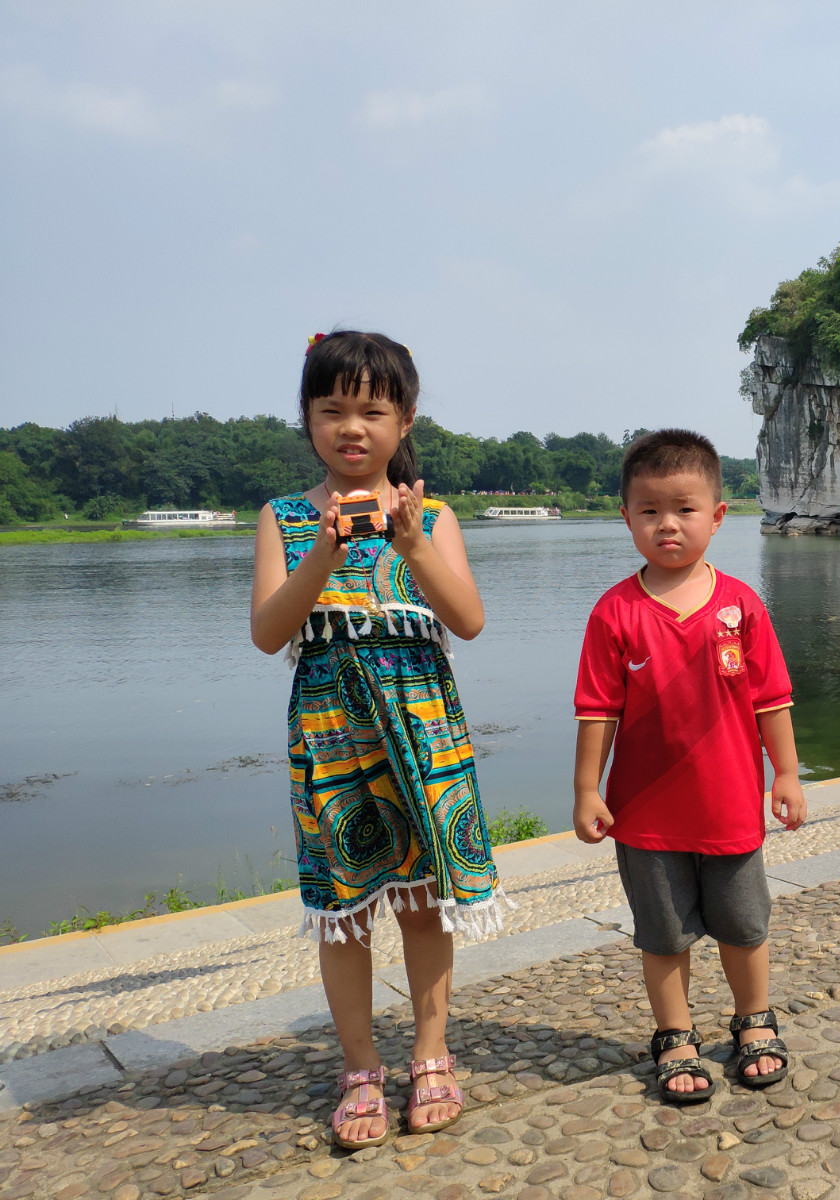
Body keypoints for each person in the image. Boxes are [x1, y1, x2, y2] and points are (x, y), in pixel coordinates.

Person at [250, 330, 507, 1148]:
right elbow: (267, 632)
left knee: (426, 902)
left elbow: (466, 621)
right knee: (345, 911)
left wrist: (413, 544)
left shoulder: (430, 514)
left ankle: (431, 1052)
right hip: (330, 731)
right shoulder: (284, 519)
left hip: (421, 726)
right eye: (332, 411)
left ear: (405, 420)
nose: (351, 428)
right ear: (308, 419)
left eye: (372, 411)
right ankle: (360, 1066)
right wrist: (322, 554)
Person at [571, 429, 805, 1104]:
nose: (667, 524)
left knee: (743, 924)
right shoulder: (615, 613)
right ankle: (674, 1035)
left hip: (730, 803)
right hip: (645, 815)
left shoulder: (741, 606)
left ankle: (754, 1021)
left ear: (717, 516)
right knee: (663, 935)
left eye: (684, 509)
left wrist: (785, 774)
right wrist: (588, 786)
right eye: (649, 511)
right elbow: (597, 711)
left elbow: (773, 699)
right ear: (627, 517)